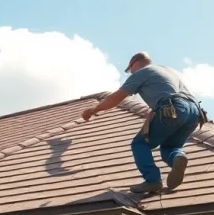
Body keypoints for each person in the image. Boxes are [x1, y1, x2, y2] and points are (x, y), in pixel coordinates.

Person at [81, 52, 206, 194]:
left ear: (135, 64)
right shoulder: (166, 70)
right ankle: (178, 157)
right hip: (195, 113)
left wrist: (94, 109)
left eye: (129, 70)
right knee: (171, 147)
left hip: (173, 108)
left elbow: (117, 97)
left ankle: (153, 181)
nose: (130, 73)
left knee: (140, 144)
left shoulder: (142, 72)